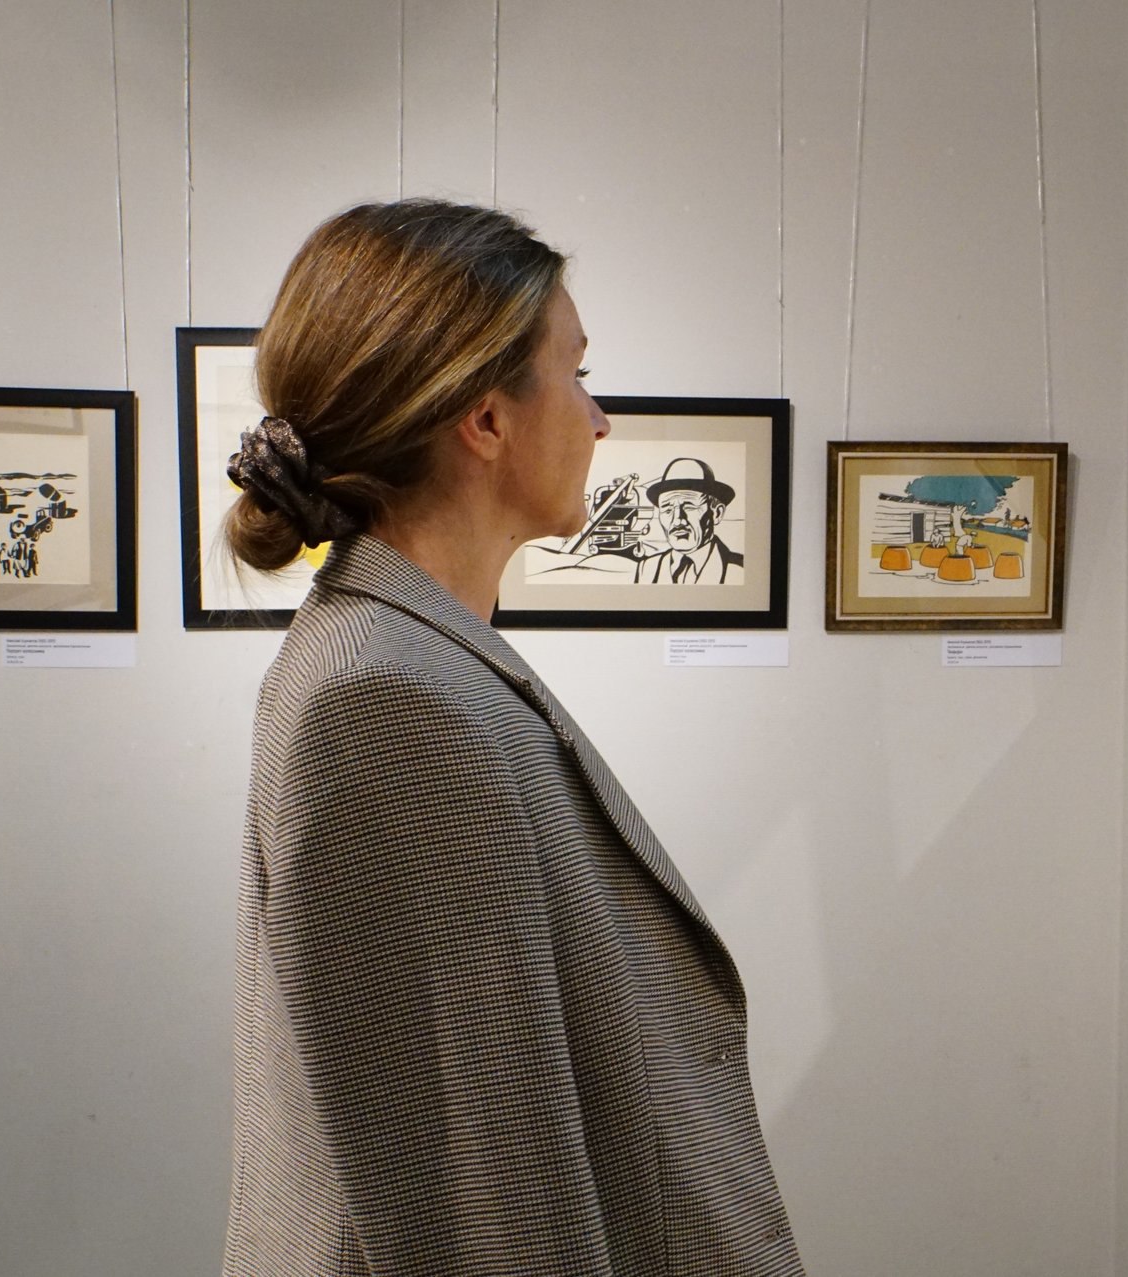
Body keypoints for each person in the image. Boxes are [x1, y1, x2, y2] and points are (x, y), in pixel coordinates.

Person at [220, 200, 803, 1276]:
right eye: (577, 372)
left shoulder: (412, 655)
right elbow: (478, 1179)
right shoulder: (385, 693)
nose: (599, 418)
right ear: (485, 420)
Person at [632, 456, 745, 583]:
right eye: (667, 509)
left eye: (689, 507)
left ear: (716, 513)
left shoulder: (739, 570)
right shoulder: (646, 569)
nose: (678, 520)